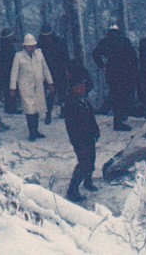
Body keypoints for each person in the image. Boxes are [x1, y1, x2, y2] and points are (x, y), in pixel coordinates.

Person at [63, 58, 101, 202]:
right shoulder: (71, 104)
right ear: (72, 88)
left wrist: (96, 130)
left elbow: (91, 118)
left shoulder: (84, 100)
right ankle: (73, 188)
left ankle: (88, 181)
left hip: (90, 137)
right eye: (78, 86)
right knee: (83, 163)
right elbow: (72, 129)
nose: (82, 88)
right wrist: (79, 145)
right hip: (80, 141)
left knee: (91, 160)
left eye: (83, 86)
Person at [92, 24, 139, 131]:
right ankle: (119, 120)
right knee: (123, 96)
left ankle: (119, 118)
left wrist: (101, 65)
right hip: (125, 72)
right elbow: (133, 57)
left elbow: (95, 54)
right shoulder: (124, 41)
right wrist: (135, 70)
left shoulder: (106, 41)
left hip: (112, 73)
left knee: (115, 95)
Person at [10, 33, 54, 141]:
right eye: (30, 46)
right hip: (25, 87)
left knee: (37, 108)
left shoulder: (39, 54)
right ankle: (32, 132)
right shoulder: (18, 57)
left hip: (38, 85)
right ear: (25, 46)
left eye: (33, 45)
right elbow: (14, 73)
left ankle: (36, 130)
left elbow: (45, 68)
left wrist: (50, 82)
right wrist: (12, 88)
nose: (32, 47)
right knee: (29, 109)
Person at [37, 25, 68, 124]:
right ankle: (48, 114)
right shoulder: (40, 44)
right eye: (45, 36)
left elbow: (65, 57)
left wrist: (66, 69)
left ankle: (64, 111)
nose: (47, 38)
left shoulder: (60, 42)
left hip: (60, 70)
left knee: (62, 92)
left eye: (48, 36)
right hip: (47, 72)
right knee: (50, 94)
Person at [0, 28, 18, 113]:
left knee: (10, 88)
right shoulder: (7, 47)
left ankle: (11, 107)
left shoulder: (5, 46)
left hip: (7, 70)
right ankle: (10, 108)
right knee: (10, 88)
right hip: (8, 71)